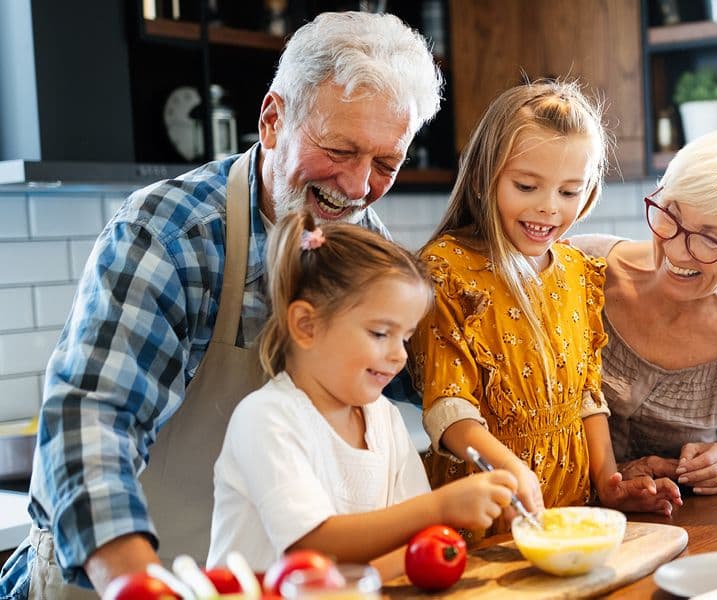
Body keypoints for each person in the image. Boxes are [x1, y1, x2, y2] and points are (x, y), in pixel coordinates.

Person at [0, 12, 442, 599]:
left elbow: (435, 376)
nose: (360, 186)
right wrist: (134, 582)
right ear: (272, 120)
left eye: (387, 164)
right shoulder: (172, 233)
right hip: (122, 574)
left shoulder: (368, 251)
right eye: (340, 148)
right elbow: (93, 419)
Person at [409, 79, 682, 542]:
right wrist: (513, 470)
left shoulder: (579, 271)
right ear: (482, 176)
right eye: (527, 185)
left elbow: (585, 395)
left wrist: (608, 484)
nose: (548, 208)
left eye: (569, 191)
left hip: (573, 512)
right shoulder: (446, 268)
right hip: (485, 519)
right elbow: (448, 409)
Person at [207, 212, 515, 578]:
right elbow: (310, 549)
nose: (400, 354)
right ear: (307, 325)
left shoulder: (383, 417)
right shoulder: (266, 418)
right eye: (380, 333)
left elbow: (405, 546)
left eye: (405, 337)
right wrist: (442, 507)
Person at [570, 126, 717, 495]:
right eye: (670, 213)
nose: (678, 251)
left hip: (687, 535)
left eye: (711, 239)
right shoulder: (576, 269)